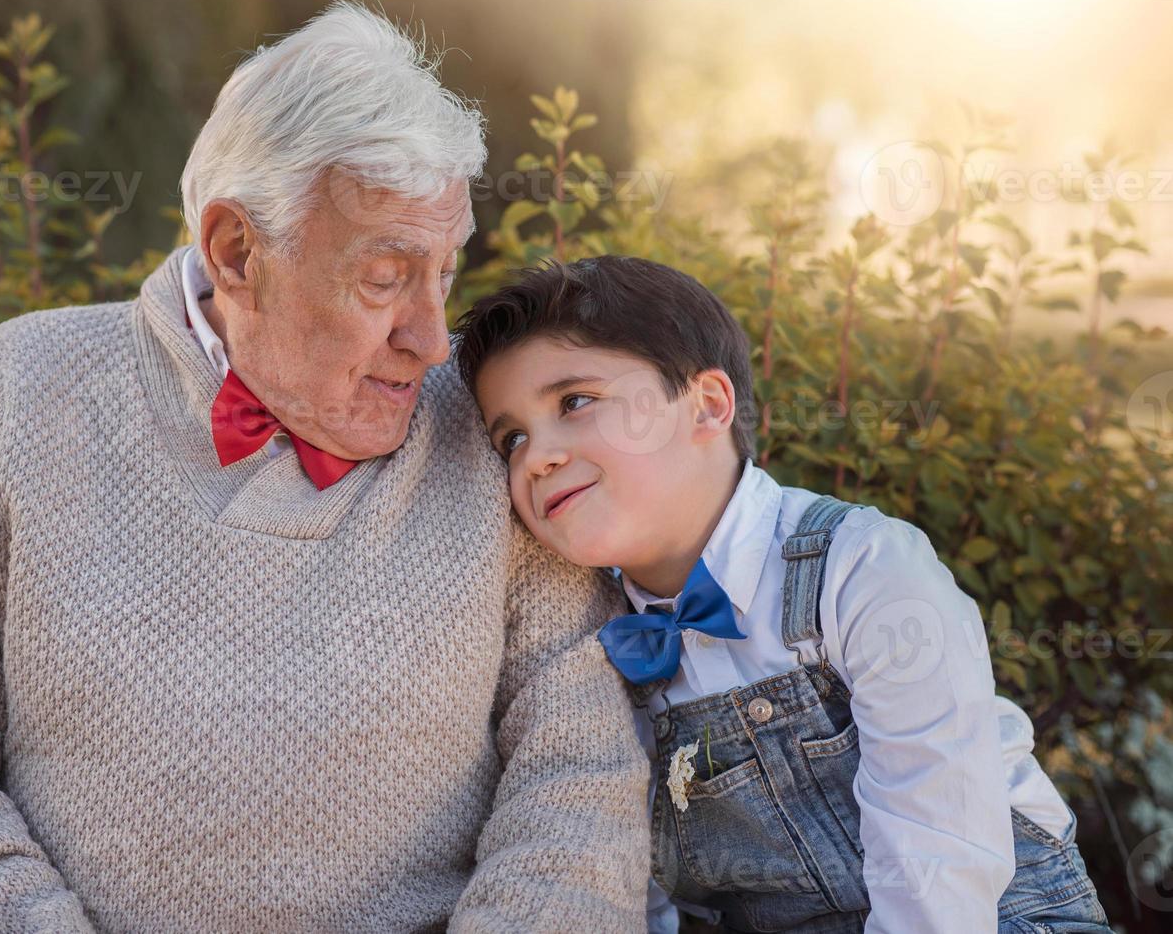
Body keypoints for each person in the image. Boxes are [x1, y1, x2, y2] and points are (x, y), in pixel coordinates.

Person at [0, 3, 651, 933]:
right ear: (236, 252)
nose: (432, 340)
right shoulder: (25, 389)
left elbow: (582, 783)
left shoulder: (489, 423)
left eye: (445, 273)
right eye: (385, 279)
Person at [454, 255, 1111, 933]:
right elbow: (626, 874)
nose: (537, 457)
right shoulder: (587, 635)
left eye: (576, 402)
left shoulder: (863, 569)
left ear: (707, 406)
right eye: (512, 439)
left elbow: (939, 871)